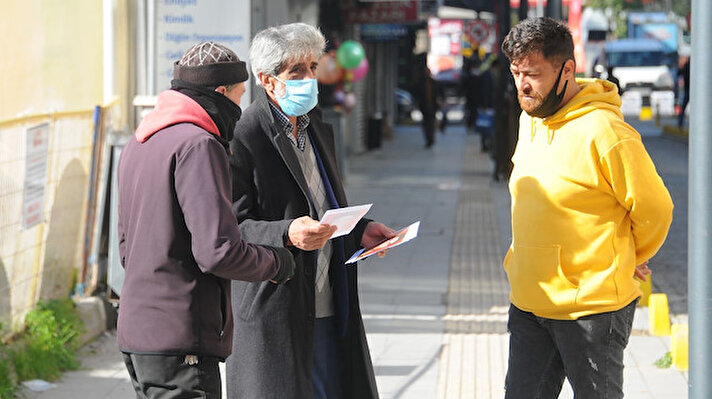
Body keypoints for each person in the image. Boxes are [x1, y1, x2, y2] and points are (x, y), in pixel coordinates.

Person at [501, 17, 673, 399]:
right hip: (530, 300)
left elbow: (656, 208)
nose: (522, 85)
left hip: (592, 310)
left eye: (533, 73)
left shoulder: (606, 131)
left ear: (567, 69)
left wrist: (631, 254)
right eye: (516, 73)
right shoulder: (530, 121)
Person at [116, 41, 296, 398]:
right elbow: (218, 252)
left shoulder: (140, 141)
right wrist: (277, 262)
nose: (240, 108)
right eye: (240, 96)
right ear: (220, 93)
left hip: (138, 334)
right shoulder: (199, 145)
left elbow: (126, 250)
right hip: (182, 338)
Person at [225, 23, 394, 399]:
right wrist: (285, 233)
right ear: (267, 81)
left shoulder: (317, 127)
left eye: (313, 68)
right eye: (296, 72)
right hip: (276, 304)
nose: (309, 79)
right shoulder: (243, 135)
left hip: (330, 302)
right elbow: (230, 227)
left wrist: (359, 230)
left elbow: (324, 206)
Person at [678, 55, 690, 128]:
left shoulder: (688, 65)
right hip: (687, 89)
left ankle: (680, 122)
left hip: (688, 90)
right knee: (683, 107)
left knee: (683, 107)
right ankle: (680, 122)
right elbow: (679, 73)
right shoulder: (686, 65)